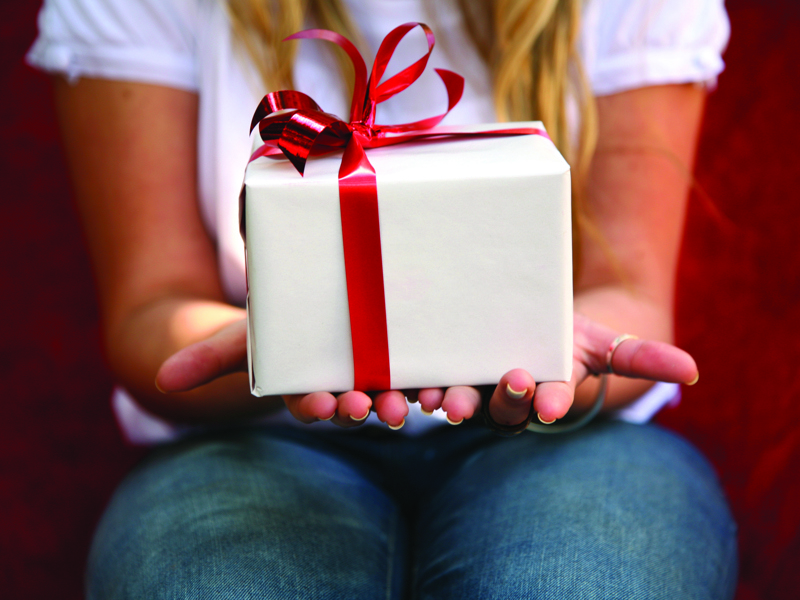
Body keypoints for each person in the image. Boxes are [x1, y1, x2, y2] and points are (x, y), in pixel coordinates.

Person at [28, 0, 738, 597]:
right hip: (252, 441)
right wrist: (282, 348)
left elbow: (629, 291)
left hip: (566, 443)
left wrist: (563, 355)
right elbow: (154, 305)